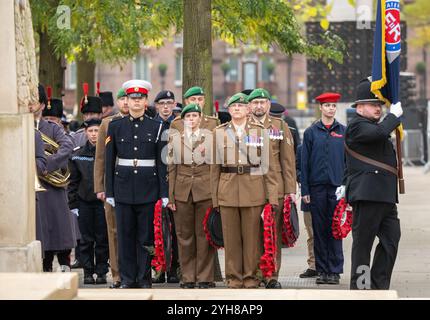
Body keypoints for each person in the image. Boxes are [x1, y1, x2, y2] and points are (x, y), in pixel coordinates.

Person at [210, 92, 278, 289]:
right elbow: (214, 169)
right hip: (227, 189)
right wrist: (215, 198)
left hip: (253, 189)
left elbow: (269, 167)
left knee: (252, 239)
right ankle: (233, 277)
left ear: (248, 109)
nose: (237, 109)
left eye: (241, 106)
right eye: (234, 106)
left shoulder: (259, 131)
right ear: (229, 110)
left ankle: (250, 277)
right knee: (230, 239)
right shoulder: (218, 132)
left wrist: (271, 196)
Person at [105, 79, 168, 289]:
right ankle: (127, 278)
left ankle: (143, 278)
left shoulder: (157, 127)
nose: (136, 102)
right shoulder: (115, 126)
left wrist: (164, 192)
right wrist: (109, 191)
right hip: (122, 188)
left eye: (140, 99)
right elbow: (108, 161)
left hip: (148, 189)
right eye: (132, 98)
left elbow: (161, 163)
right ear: (127, 101)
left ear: (146, 100)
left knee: (145, 237)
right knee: (124, 236)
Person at [340, 78, 402, 290]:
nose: (378, 108)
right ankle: (361, 288)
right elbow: (379, 133)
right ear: (359, 106)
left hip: (384, 196)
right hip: (367, 195)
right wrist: (393, 116)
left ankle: (378, 285)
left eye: (379, 105)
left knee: (391, 240)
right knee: (363, 246)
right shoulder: (357, 127)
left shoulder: (374, 126)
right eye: (373, 104)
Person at [248, 89, 296, 289]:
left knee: (273, 234)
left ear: (268, 105)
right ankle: (254, 274)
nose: (259, 106)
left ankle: (272, 276)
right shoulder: (243, 126)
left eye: (262, 102)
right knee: (252, 235)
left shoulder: (280, 126)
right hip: (249, 188)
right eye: (255, 102)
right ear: (250, 106)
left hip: (274, 189)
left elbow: (288, 161)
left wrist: (290, 190)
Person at [167, 103, 218, 289]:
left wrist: (215, 194)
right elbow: (171, 169)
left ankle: (205, 277)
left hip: (205, 192)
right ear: (183, 120)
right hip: (182, 192)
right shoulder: (175, 139)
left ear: (200, 118)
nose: (191, 119)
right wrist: (171, 197)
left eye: (195, 116)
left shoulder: (210, 138)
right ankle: (188, 277)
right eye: (188, 117)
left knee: (204, 235)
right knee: (184, 236)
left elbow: (214, 168)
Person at [301, 92, 345, 285]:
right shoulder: (311, 132)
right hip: (317, 188)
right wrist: (305, 191)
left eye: (333, 106)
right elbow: (304, 164)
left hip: (337, 187)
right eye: (327, 105)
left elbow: (347, 161)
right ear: (320, 108)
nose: (330, 109)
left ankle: (334, 271)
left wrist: (346, 187)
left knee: (335, 229)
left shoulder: (344, 131)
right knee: (318, 230)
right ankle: (322, 270)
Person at [31, 84, 76, 272]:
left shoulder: (52, 128)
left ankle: (58, 266)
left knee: (55, 231)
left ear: (42, 105)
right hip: (30, 188)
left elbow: (67, 146)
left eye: (34, 102)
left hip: (50, 185)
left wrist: (45, 165)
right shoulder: (23, 128)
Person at [94, 87, 129, 289]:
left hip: (135, 185)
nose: (125, 103)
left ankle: (135, 272)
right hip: (113, 185)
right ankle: (117, 274)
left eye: (128, 99)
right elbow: (100, 158)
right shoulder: (107, 124)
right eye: (122, 99)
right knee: (114, 231)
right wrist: (100, 187)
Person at [68, 119, 109, 285]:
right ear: (86, 132)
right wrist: (73, 204)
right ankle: (87, 271)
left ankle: (101, 271)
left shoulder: (107, 152)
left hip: (102, 203)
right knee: (85, 240)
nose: (94, 134)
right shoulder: (78, 154)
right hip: (84, 202)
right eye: (91, 131)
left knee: (102, 239)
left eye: (96, 131)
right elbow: (73, 182)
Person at [152, 89, 181, 284]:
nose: (165, 107)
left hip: (176, 183)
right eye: (162, 104)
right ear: (156, 106)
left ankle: (174, 268)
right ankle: (158, 267)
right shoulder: (151, 125)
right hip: (153, 183)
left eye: (169, 104)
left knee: (176, 228)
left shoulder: (179, 126)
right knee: (156, 228)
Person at [296, 144, 318, 278]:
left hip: (327, 193)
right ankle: (313, 265)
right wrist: (304, 178)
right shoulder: (301, 149)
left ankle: (326, 265)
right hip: (308, 195)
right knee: (312, 233)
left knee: (326, 232)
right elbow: (297, 169)